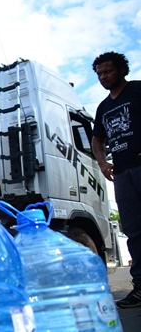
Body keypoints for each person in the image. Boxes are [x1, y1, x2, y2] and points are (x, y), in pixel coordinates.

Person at [91, 51, 141, 308]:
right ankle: (140, 288)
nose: (103, 77)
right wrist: (102, 162)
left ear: (122, 69)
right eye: (99, 73)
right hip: (122, 174)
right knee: (133, 231)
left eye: (107, 71)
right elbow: (97, 139)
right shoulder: (103, 107)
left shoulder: (137, 90)